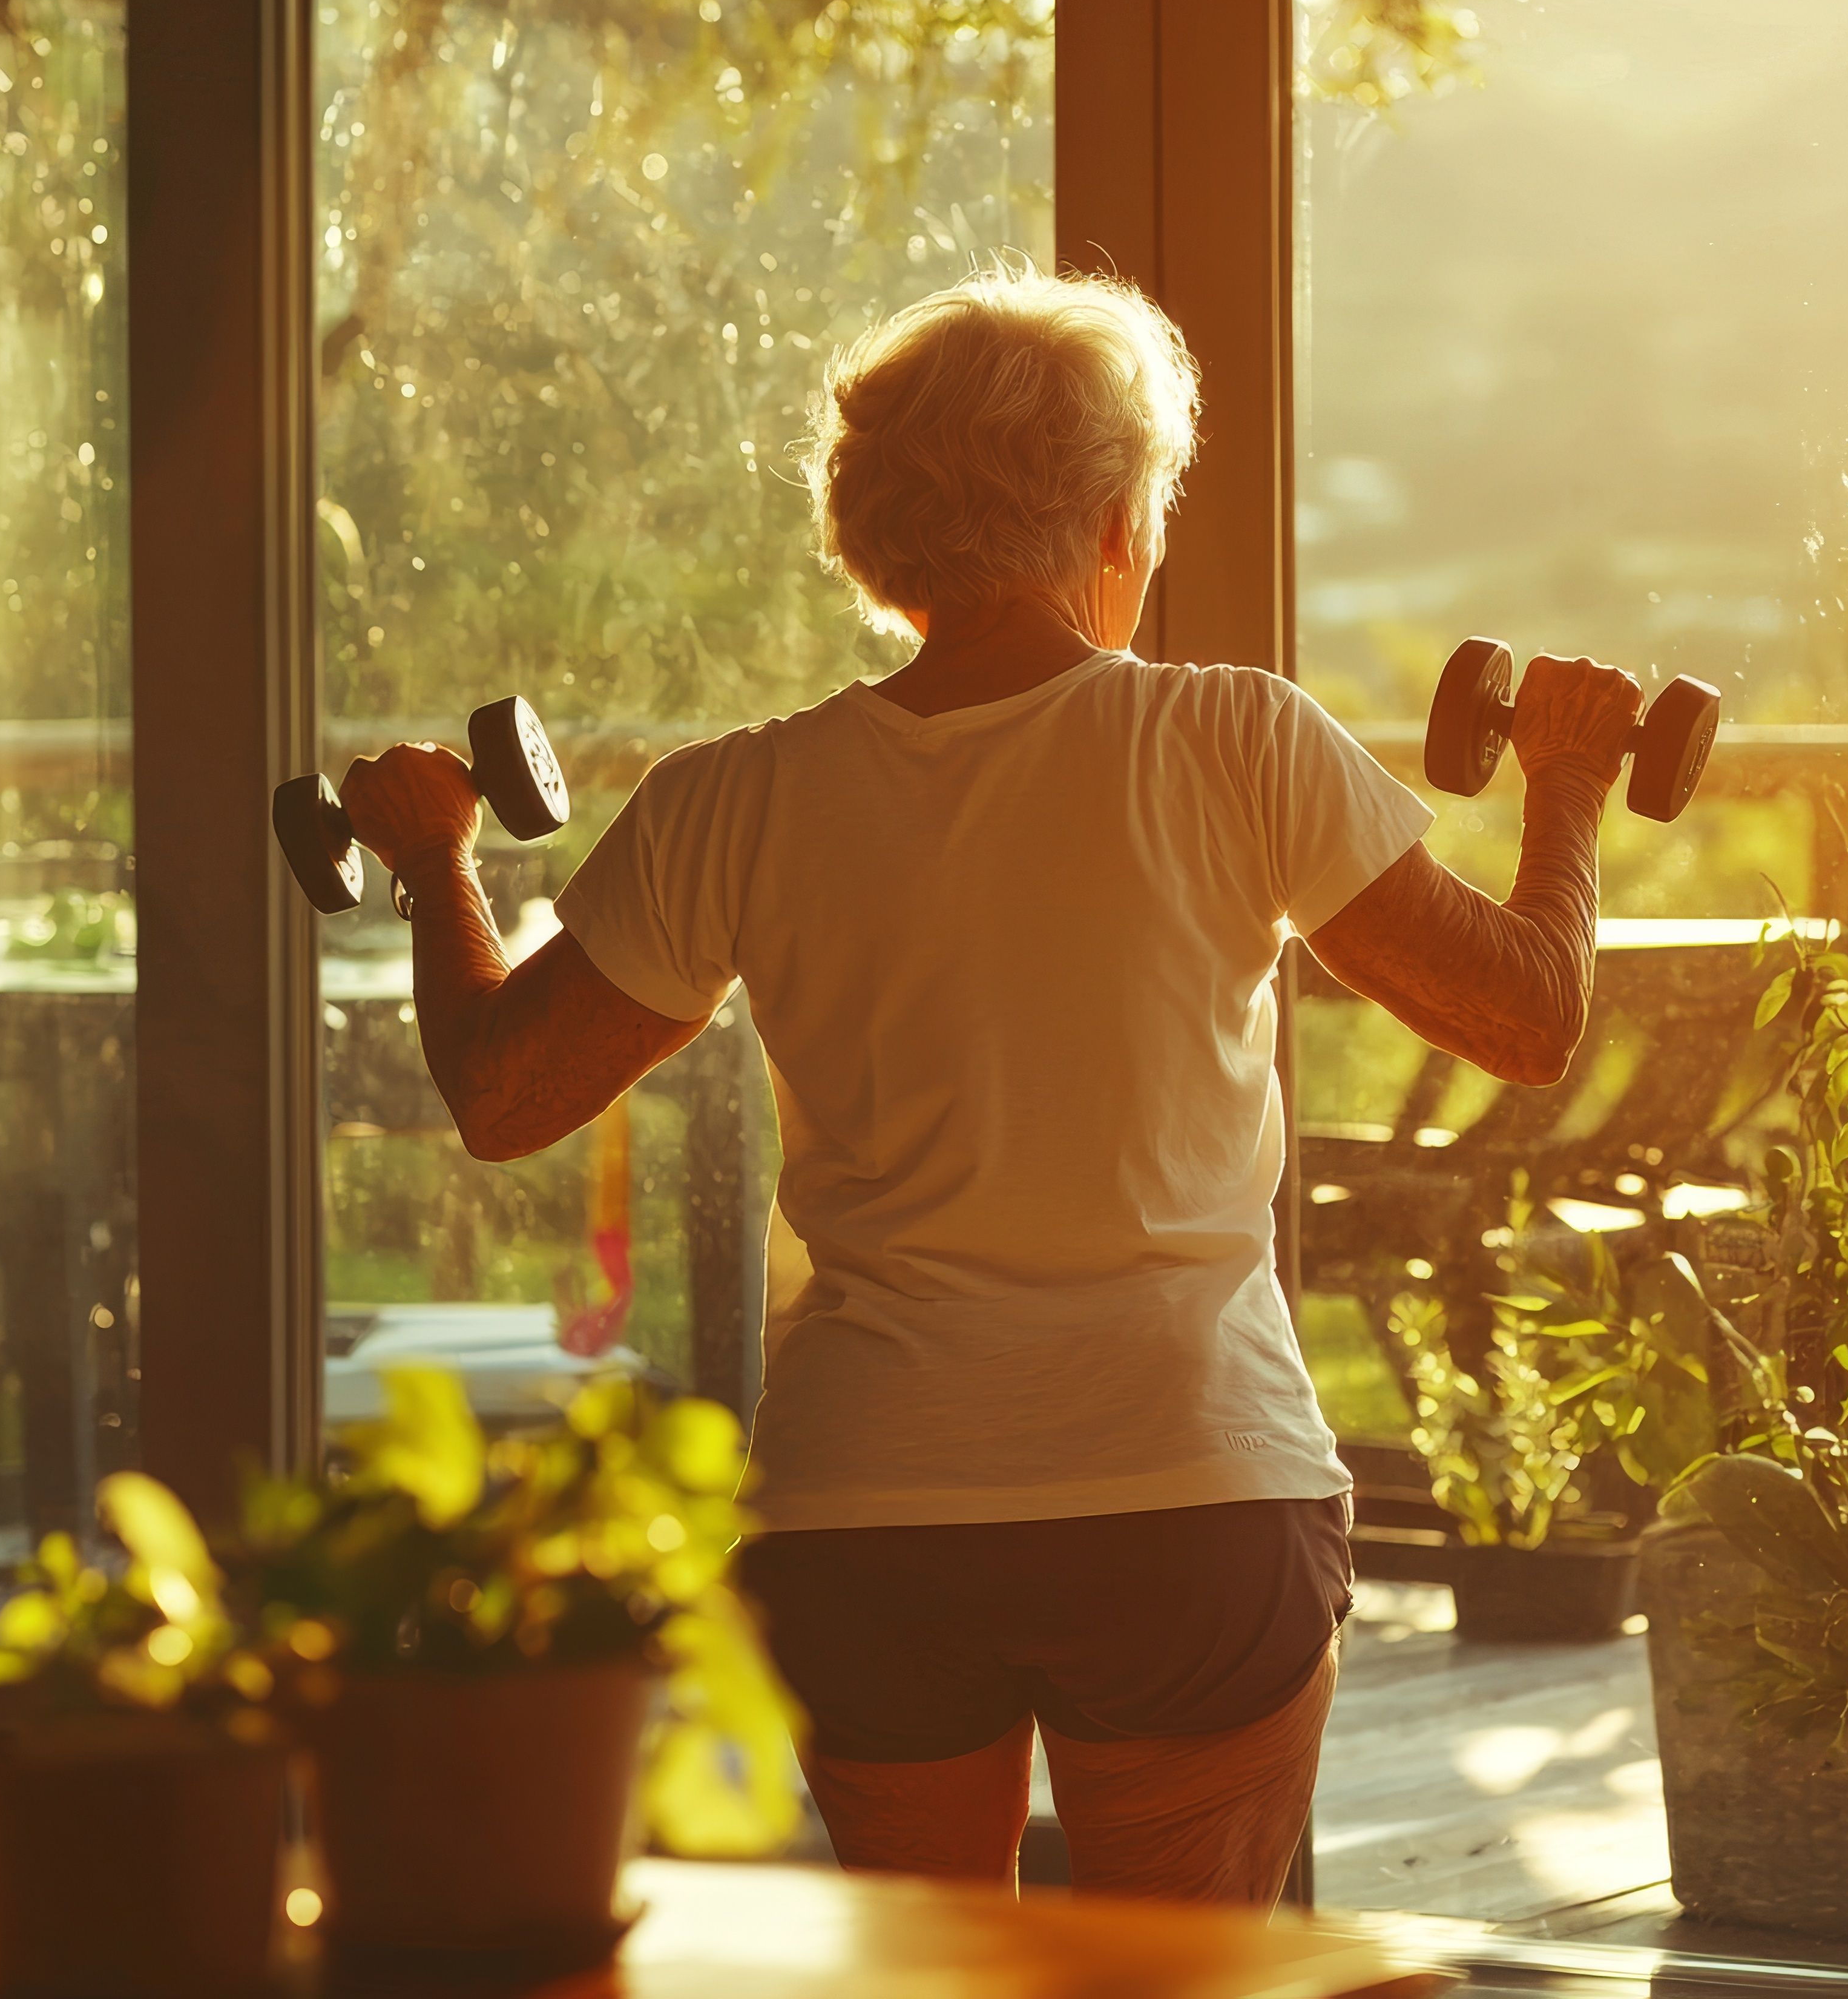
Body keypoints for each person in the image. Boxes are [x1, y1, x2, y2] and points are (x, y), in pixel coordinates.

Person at [336, 262, 1643, 1909]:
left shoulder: (730, 800)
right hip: (1189, 1491)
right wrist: (1575, 784)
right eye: (1153, 501)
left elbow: (504, 1090)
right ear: (1111, 522)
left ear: (874, 538)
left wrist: (436, 860)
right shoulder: (1237, 739)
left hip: (873, 1517)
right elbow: (1528, 1018)